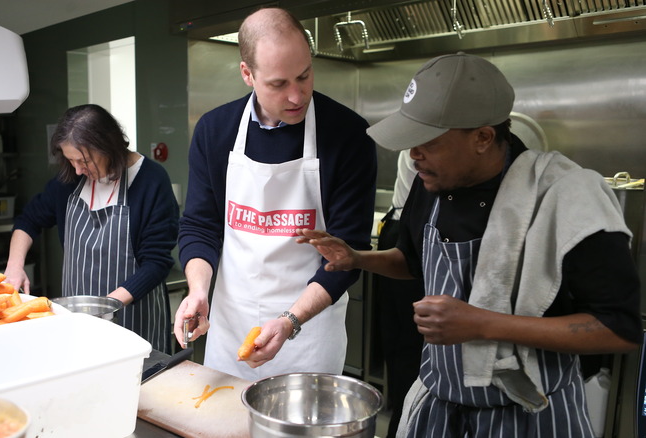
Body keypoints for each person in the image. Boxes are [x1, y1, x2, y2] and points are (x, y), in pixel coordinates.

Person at [297, 52, 641, 437]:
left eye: (428, 142)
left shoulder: (564, 197)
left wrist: (482, 323)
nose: (414, 156)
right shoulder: (432, 182)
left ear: (482, 137)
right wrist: (358, 258)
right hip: (441, 409)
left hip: (530, 414)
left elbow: (618, 329)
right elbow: (412, 262)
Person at [173, 7, 376, 380]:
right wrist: (198, 290)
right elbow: (200, 226)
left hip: (308, 336)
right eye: (279, 84)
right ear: (247, 74)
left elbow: (347, 253)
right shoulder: (215, 131)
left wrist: (289, 322)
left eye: (305, 75)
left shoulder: (347, 134)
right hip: (230, 332)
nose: (297, 95)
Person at [5, 104, 179, 353]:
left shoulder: (151, 181)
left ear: (108, 146)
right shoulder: (71, 181)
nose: (77, 169)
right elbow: (29, 220)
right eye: (70, 160)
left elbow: (156, 263)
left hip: (133, 320)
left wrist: (104, 308)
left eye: (84, 160)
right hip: (80, 322)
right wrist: (15, 266)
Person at [372, 149, 423, 438]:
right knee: (405, 345)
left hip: (399, 230)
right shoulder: (422, 146)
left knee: (405, 345)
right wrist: (355, 257)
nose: (418, 155)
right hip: (403, 232)